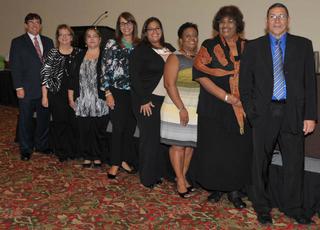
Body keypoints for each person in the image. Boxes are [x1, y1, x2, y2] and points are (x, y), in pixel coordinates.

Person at [239, 3, 317, 225]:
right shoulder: (253, 47)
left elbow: (310, 84)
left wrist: (310, 116)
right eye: (272, 16)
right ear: (266, 22)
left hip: (293, 113)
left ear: (288, 20)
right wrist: (252, 113)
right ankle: (262, 207)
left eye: (281, 16)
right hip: (263, 114)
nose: (277, 20)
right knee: (259, 163)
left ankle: (294, 207)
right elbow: (245, 85)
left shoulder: (303, 45)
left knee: (294, 163)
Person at [192, 6, 252, 208]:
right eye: (222, 22)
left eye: (230, 21)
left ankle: (234, 190)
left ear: (238, 25)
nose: (225, 25)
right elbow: (201, 75)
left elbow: (256, 76)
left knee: (236, 151)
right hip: (214, 106)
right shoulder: (209, 45)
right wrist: (228, 97)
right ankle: (216, 188)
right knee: (214, 150)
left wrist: (241, 101)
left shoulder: (249, 47)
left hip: (241, 109)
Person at [130, 17, 175, 188]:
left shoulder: (170, 48)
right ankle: (147, 178)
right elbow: (134, 78)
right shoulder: (140, 51)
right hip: (147, 100)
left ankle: (161, 172)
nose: (154, 32)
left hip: (167, 100)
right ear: (145, 32)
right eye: (150, 29)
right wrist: (144, 99)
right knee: (149, 140)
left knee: (162, 139)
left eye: (158, 28)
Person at [160, 22, 199, 198]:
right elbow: (169, 84)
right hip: (176, 108)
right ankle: (181, 182)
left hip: (195, 110)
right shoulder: (175, 58)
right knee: (178, 146)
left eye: (194, 35)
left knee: (189, 147)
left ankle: (181, 177)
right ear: (181, 39)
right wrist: (182, 108)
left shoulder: (199, 58)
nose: (192, 38)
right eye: (188, 35)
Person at [9, 13, 54, 161]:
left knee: (44, 119)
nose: (35, 25)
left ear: (41, 25)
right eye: (31, 22)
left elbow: (51, 66)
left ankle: (42, 145)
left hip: (45, 90)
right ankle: (26, 149)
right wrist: (18, 87)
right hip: (26, 89)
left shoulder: (48, 41)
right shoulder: (17, 42)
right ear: (26, 25)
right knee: (25, 120)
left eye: (37, 22)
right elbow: (15, 66)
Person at [101, 12, 139, 179]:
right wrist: (107, 92)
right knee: (118, 128)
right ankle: (115, 163)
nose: (126, 26)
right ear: (119, 26)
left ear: (134, 25)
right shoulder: (112, 43)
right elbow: (104, 69)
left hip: (135, 93)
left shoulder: (140, 45)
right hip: (116, 91)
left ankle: (124, 159)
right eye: (122, 23)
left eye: (129, 23)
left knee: (130, 129)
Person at [68, 27, 109, 168]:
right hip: (83, 99)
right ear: (85, 41)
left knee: (99, 130)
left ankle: (97, 157)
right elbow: (73, 78)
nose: (92, 39)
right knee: (84, 130)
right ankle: (86, 156)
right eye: (89, 36)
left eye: (95, 36)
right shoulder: (79, 55)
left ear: (100, 39)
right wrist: (70, 96)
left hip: (100, 99)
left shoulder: (105, 55)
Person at [41, 24, 81, 162]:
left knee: (74, 123)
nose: (64, 37)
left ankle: (73, 150)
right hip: (56, 94)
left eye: (67, 34)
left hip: (75, 94)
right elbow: (45, 76)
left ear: (71, 37)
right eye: (61, 34)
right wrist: (44, 96)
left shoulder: (78, 53)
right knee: (60, 123)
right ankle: (62, 151)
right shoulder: (52, 53)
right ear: (58, 37)